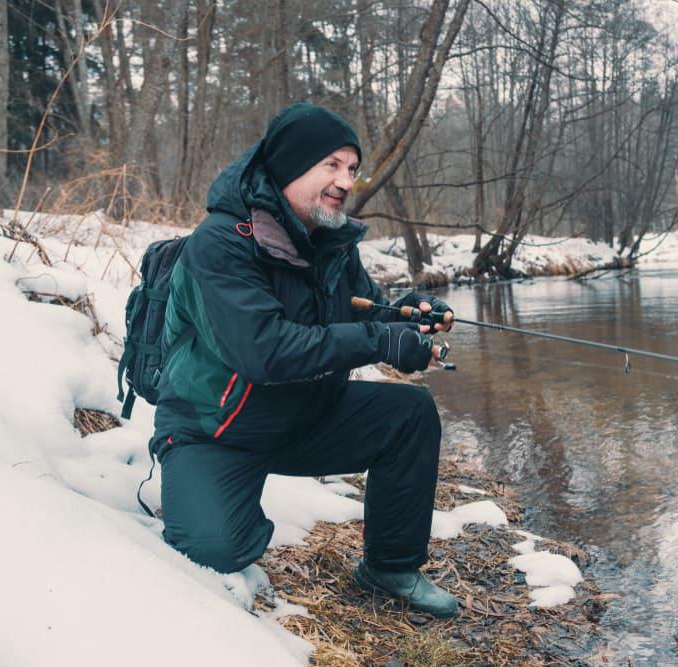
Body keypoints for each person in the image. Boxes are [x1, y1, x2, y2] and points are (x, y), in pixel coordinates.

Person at [150, 103, 459, 618]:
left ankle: (391, 568)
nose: (345, 180)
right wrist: (381, 341)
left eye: (353, 168)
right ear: (291, 166)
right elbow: (263, 350)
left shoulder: (332, 241)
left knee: (411, 414)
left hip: (305, 415)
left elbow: (369, 307)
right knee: (217, 551)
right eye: (331, 165)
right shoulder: (220, 246)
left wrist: (414, 321)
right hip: (216, 430)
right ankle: (209, 500)